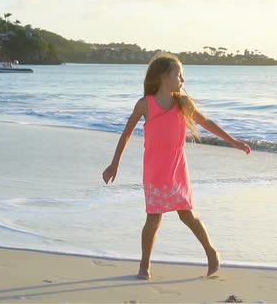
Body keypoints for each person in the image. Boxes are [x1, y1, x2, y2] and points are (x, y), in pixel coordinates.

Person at [102, 53, 251, 280]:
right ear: (164, 76)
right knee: (153, 218)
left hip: (176, 168)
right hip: (154, 168)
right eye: (179, 74)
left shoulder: (183, 104)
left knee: (186, 215)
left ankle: (212, 253)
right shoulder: (145, 104)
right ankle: (144, 266)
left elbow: (207, 123)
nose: (182, 79)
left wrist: (234, 142)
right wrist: (114, 164)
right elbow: (126, 134)